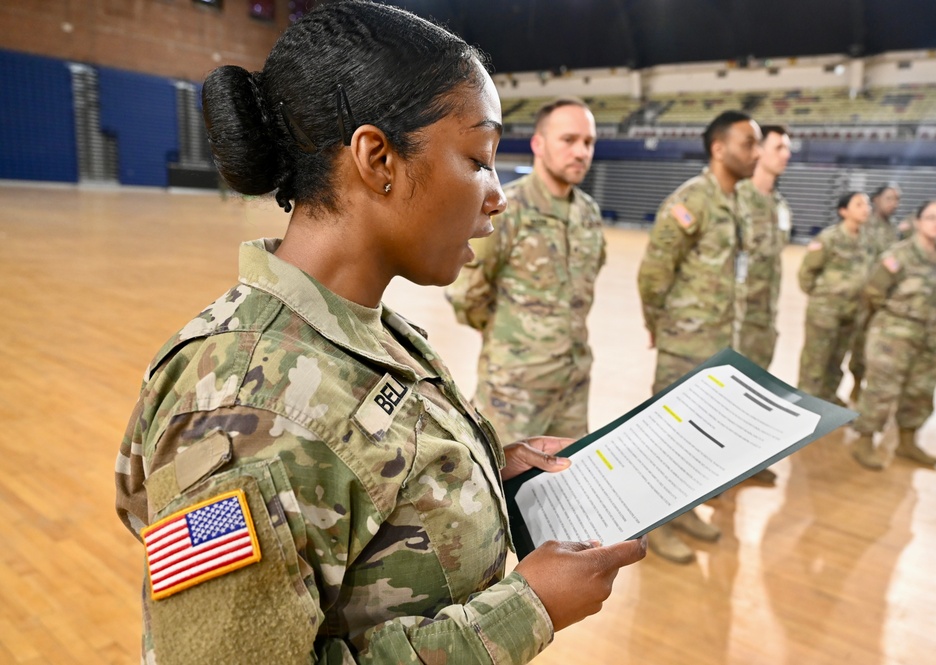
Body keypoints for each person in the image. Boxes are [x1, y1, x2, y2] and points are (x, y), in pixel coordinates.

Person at [113, 4, 646, 663]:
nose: (496, 194)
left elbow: (359, 477)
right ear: (377, 158)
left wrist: (476, 471)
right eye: (478, 159)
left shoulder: (366, 325)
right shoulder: (240, 411)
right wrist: (522, 611)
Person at [637, 110, 760, 564]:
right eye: (749, 142)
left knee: (698, 442)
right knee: (667, 439)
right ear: (719, 148)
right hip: (685, 345)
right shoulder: (692, 201)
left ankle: (682, 511)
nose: (757, 152)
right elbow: (653, 274)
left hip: (719, 346)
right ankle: (654, 527)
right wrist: (660, 325)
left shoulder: (740, 202)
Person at [445, 97, 604, 443]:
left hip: (572, 387)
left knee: (569, 480)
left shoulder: (589, 214)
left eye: (588, 142)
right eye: (569, 140)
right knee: (502, 486)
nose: (581, 152)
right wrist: (511, 339)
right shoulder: (506, 209)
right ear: (539, 144)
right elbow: (467, 293)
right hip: (514, 391)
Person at [852, 201, 936, 470]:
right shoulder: (898, 256)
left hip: (928, 336)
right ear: (918, 222)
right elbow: (873, 293)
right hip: (894, 335)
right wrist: (892, 320)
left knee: (920, 390)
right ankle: (864, 441)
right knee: (881, 390)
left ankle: (907, 442)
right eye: (931, 217)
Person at [797, 192, 872, 406]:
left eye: (866, 204)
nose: (865, 208)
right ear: (843, 211)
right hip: (824, 311)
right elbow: (807, 272)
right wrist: (823, 297)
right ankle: (806, 404)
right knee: (815, 359)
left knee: (836, 358)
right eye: (858, 204)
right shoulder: (828, 239)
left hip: (852, 311)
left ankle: (828, 398)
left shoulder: (867, 240)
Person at [735, 124, 793, 370]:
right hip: (733, 325)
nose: (786, 154)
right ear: (758, 150)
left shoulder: (780, 207)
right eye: (779, 147)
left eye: (788, 148)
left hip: (764, 325)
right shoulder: (736, 198)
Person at [849, 183, 902, 401]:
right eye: (889, 198)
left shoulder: (895, 230)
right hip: (863, 295)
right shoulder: (863, 224)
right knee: (859, 342)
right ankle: (857, 382)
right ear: (877, 199)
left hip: (885, 297)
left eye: (897, 199)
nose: (894, 203)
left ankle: (874, 386)